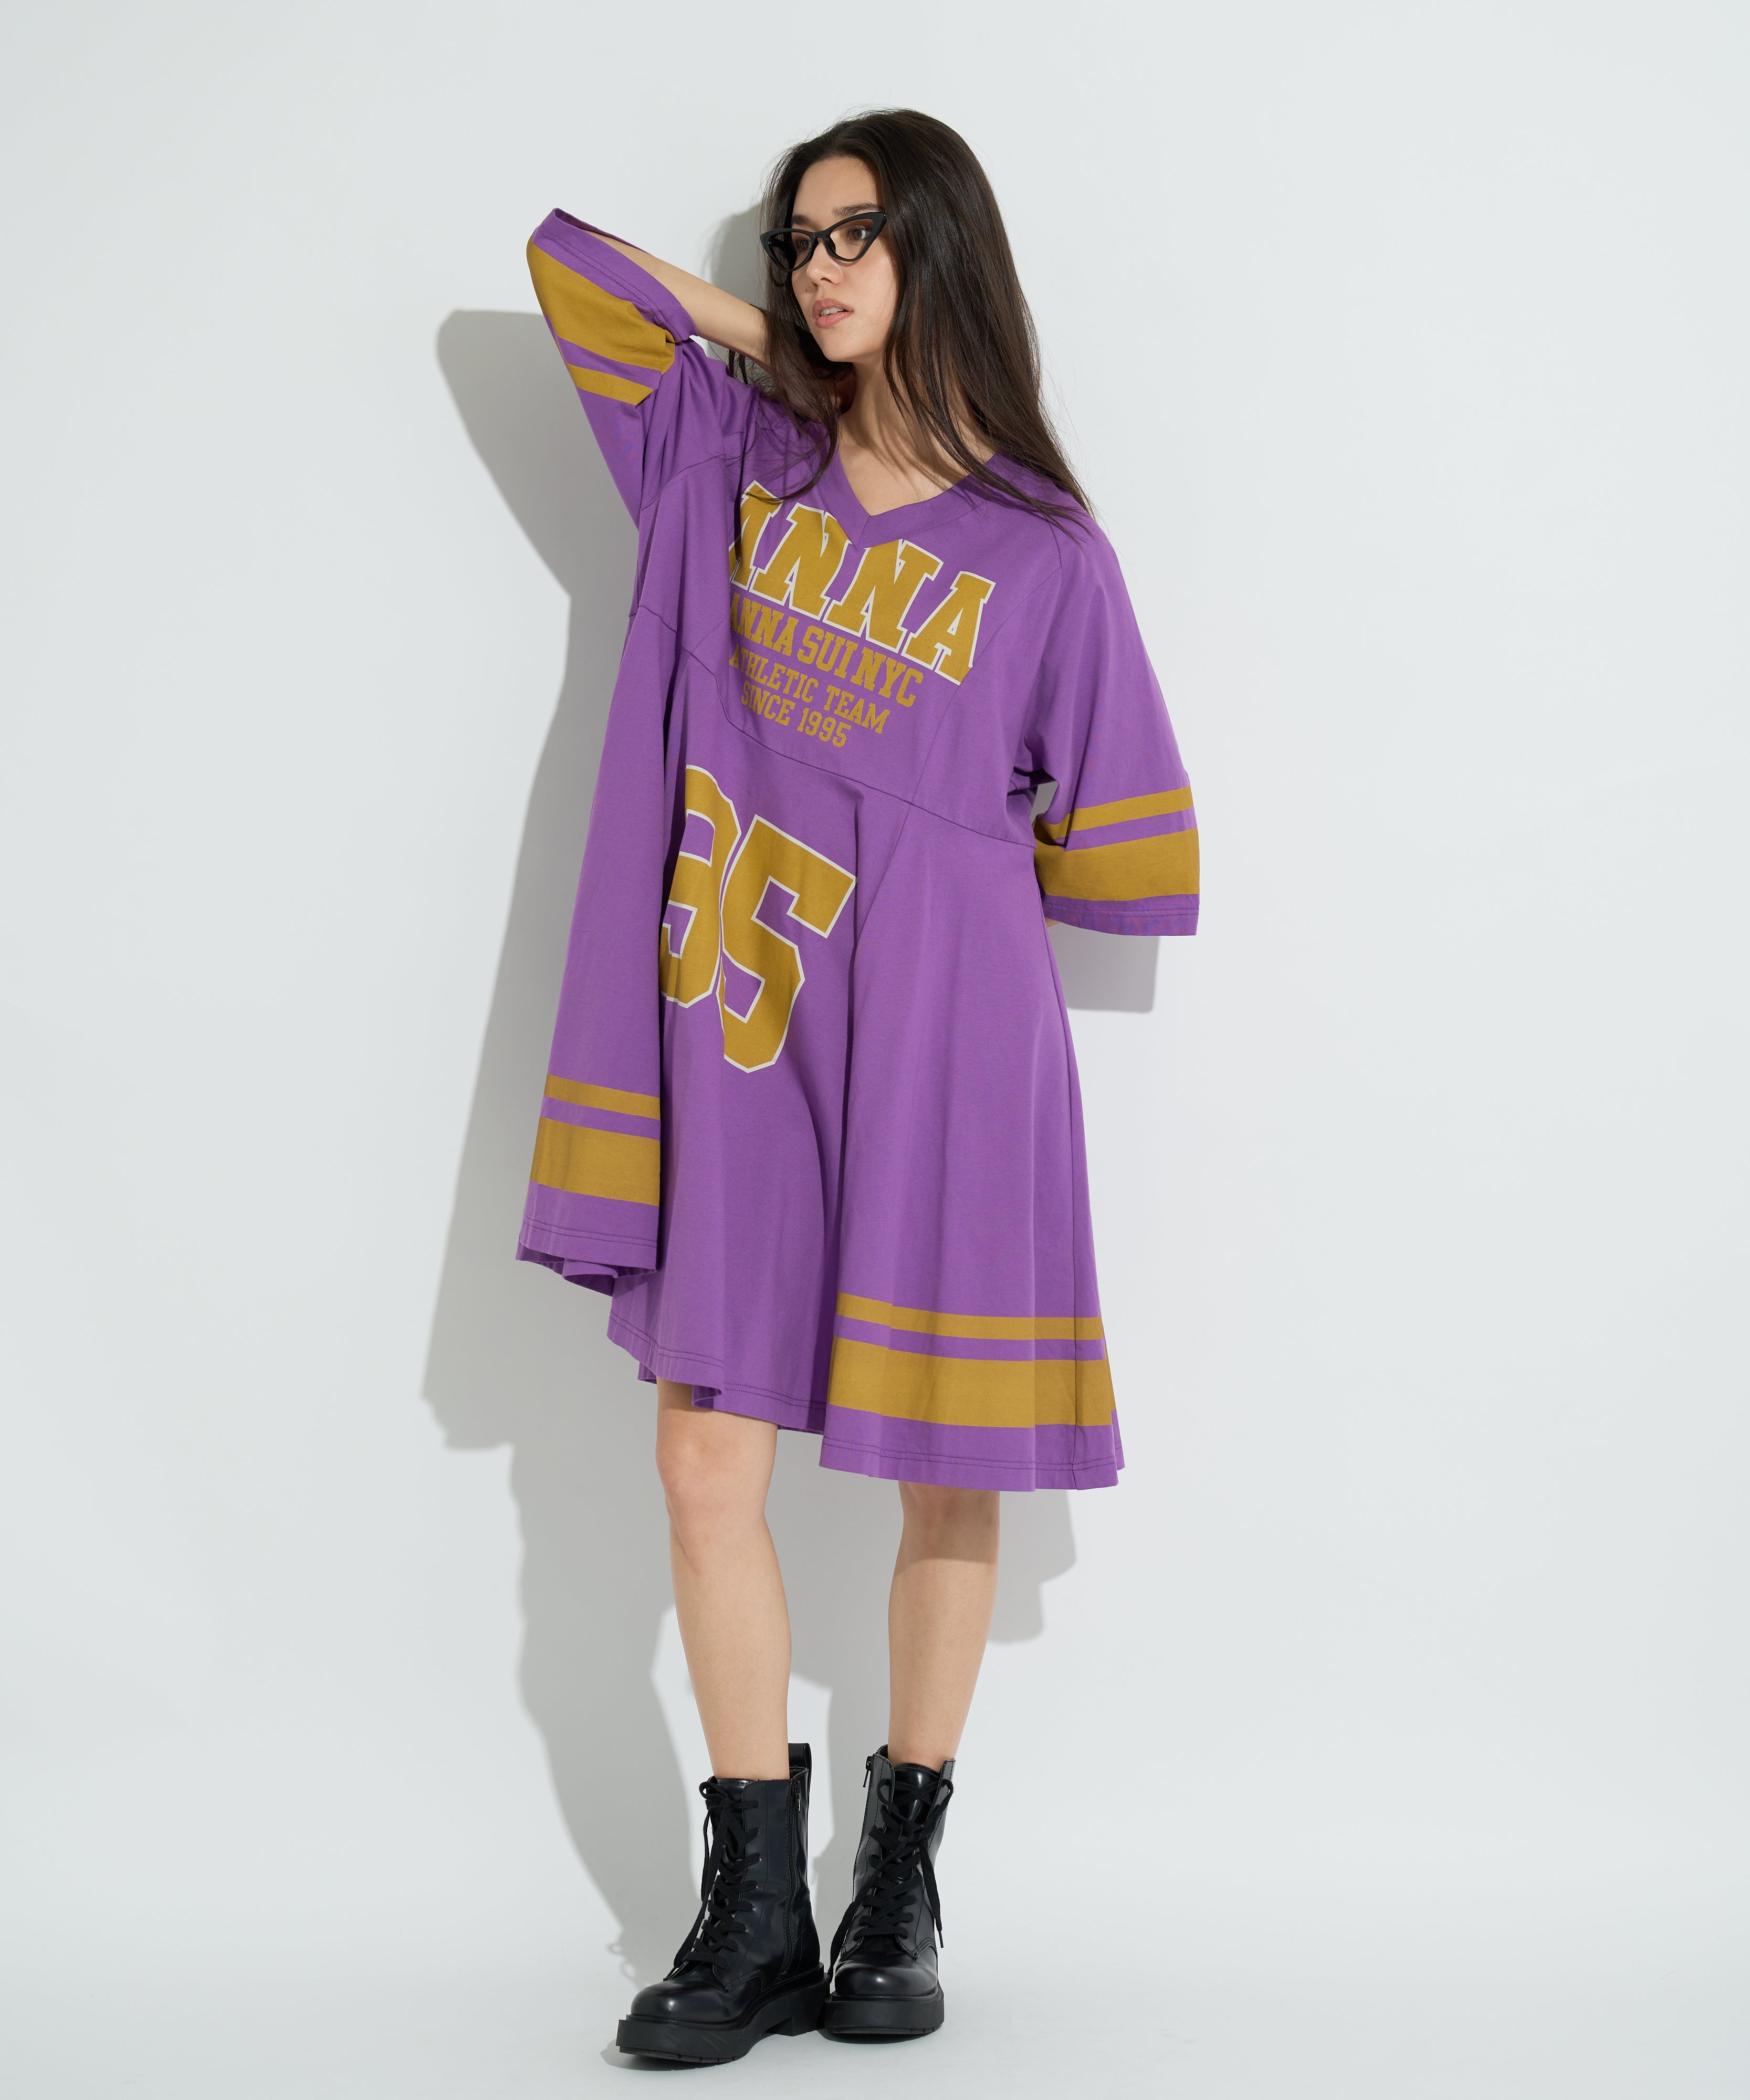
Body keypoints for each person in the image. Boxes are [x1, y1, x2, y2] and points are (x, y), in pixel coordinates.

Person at [514, 108, 1198, 2064]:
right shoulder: (735, 460)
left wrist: (947, 863)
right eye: (801, 241)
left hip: (950, 1044)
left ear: (942, 249)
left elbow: (1134, 849)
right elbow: (572, 271)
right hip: (747, 1024)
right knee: (701, 1463)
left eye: (861, 237)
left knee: (944, 1464)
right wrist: (801, 356)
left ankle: (896, 1880)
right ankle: (749, 1913)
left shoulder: (1046, 552)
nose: (821, 269)